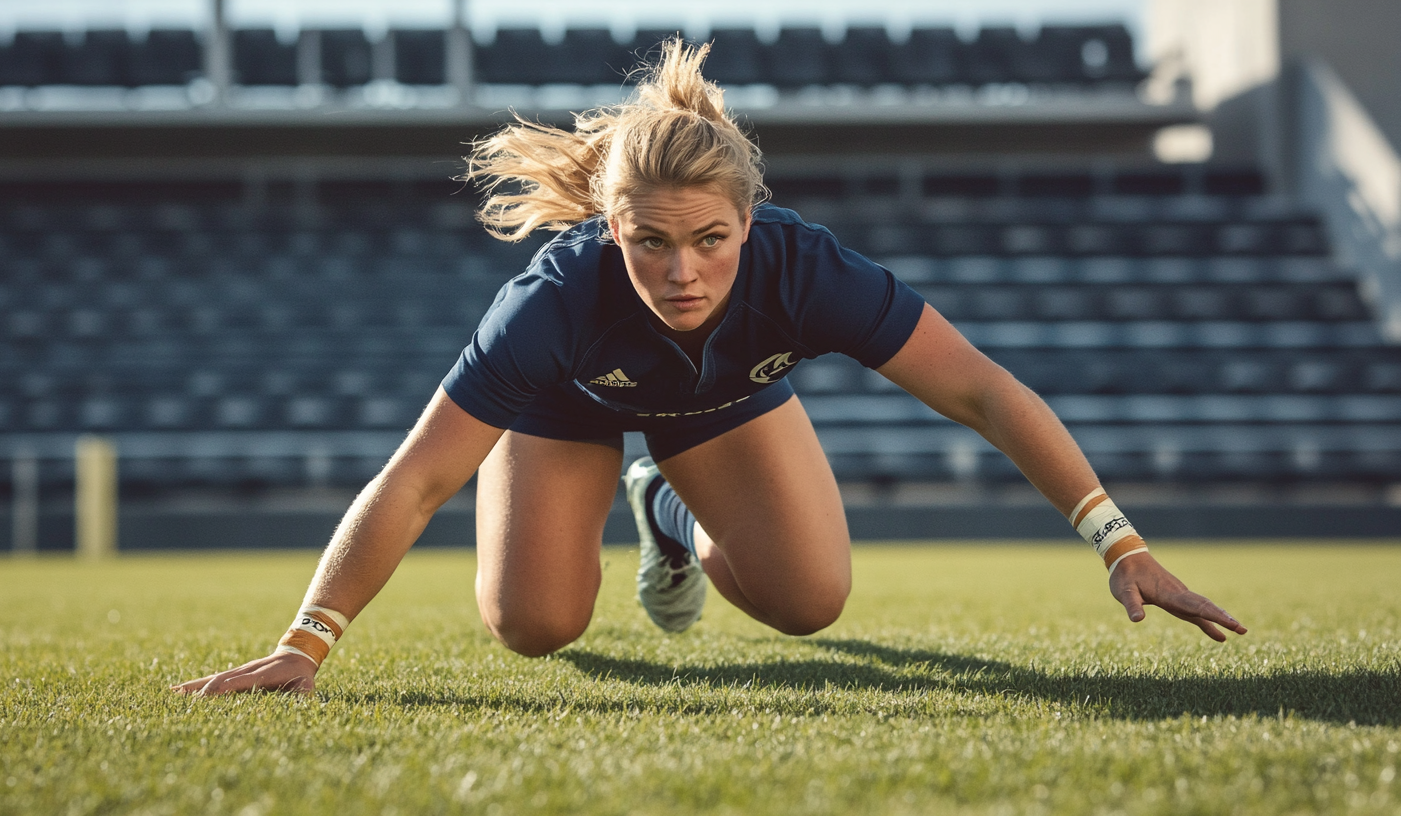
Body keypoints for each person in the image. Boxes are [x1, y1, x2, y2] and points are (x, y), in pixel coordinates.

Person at [173, 40, 1245, 697]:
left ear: (750, 221)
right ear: (611, 225)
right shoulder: (550, 306)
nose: (682, 273)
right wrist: (304, 643)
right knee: (536, 628)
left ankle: (667, 513)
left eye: (710, 241)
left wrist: (1118, 540)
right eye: (648, 243)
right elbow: (415, 479)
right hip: (570, 406)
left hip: (722, 402)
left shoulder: (807, 270)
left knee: (811, 602)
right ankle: (638, 497)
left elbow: (982, 390)